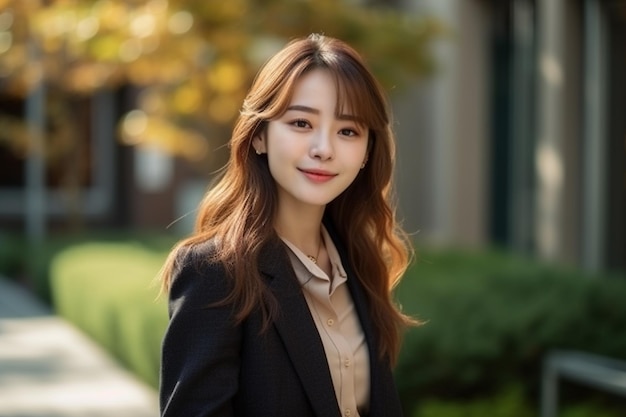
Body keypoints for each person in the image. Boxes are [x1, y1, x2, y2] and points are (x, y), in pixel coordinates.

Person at [159, 33, 417, 417]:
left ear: (366, 153)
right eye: (301, 123)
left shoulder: (360, 265)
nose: (324, 148)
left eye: (348, 131)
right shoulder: (214, 272)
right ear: (260, 136)